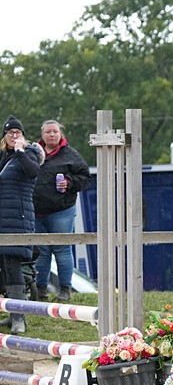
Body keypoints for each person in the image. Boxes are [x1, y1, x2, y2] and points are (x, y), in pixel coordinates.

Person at [32, 120, 90, 302]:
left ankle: (65, 289)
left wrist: (70, 182)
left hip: (61, 211)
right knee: (40, 251)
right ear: (42, 134)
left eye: (55, 131)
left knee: (62, 249)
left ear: (61, 134)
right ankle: (40, 289)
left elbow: (86, 177)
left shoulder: (71, 155)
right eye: (48, 132)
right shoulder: (33, 153)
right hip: (36, 211)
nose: (51, 135)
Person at [0, 116, 44, 334]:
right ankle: (13, 314)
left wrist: (19, 150)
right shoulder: (3, 157)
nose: (14, 136)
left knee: (12, 262)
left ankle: (20, 318)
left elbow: (33, 171)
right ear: (4, 136)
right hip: (3, 217)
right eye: (10, 133)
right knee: (6, 267)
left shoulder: (29, 154)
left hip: (18, 218)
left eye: (18, 133)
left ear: (23, 136)